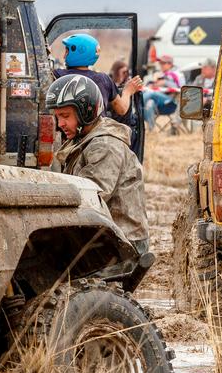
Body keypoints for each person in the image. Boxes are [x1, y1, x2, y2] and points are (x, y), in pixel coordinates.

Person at [47, 74, 149, 255]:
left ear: (86, 112)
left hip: (122, 243)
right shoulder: (83, 138)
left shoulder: (104, 145)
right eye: (57, 117)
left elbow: (91, 197)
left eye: (65, 116)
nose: (60, 124)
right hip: (104, 234)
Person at [54, 33, 143, 145]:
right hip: (98, 139)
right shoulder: (103, 79)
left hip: (67, 139)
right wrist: (128, 91)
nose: (63, 56)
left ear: (77, 52)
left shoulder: (57, 76)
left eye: (66, 51)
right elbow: (122, 109)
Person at [142, 55, 184, 132]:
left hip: (171, 102)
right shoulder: (159, 73)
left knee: (151, 93)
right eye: (160, 63)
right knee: (149, 103)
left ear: (170, 64)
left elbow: (181, 88)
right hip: (157, 102)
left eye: (163, 63)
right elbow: (147, 85)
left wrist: (165, 82)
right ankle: (151, 130)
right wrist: (152, 84)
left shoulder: (178, 74)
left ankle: (136, 106)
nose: (160, 65)